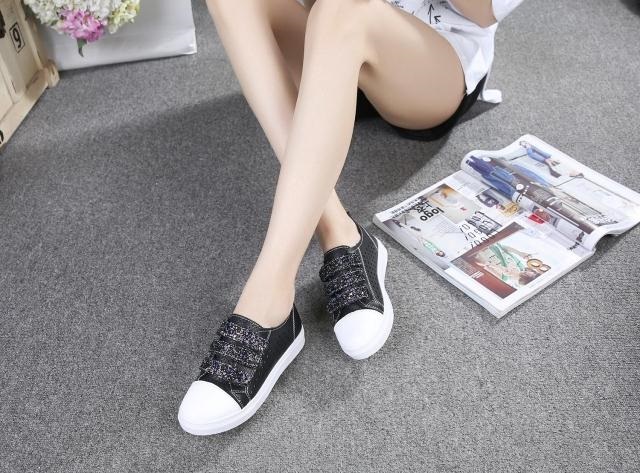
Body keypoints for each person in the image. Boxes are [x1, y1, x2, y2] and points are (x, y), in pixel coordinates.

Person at [178, 0, 524, 435]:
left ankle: (268, 296)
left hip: (426, 65)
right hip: (326, 48)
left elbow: (482, 12)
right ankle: (338, 229)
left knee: (345, 12)